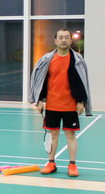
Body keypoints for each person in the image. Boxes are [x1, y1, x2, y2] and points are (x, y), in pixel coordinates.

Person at [29, 28, 92, 178]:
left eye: (66, 37)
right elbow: (41, 81)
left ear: (71, 40)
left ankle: (72, 165)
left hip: (70, 105)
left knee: (71, 135)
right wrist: (39, 100)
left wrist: (81, 101)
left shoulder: (77, 60)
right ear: (55, 41)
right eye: (61, 37)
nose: (63, 40)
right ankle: (51, 163)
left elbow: (82, 82)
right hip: (52, 104)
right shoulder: (47, 60)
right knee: (53, 134)